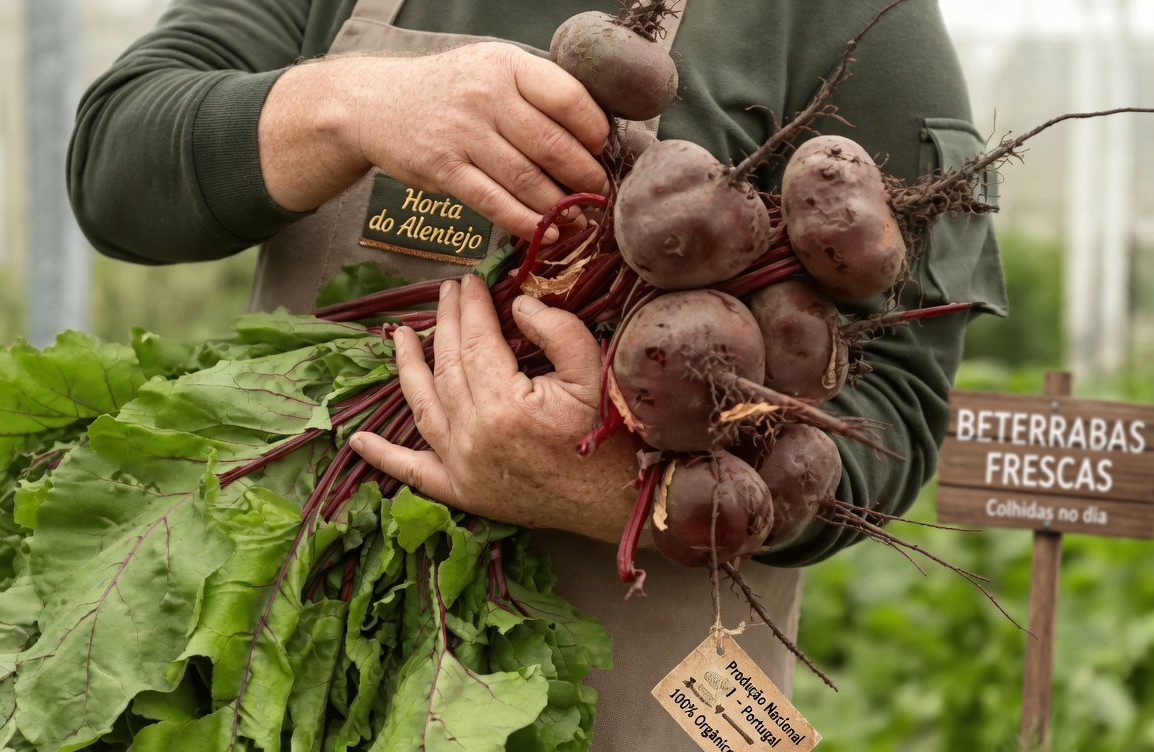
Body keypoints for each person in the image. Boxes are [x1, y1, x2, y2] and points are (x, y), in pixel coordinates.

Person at [68, 0, 1006, 747]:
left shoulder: (863, 16)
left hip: (644, 687)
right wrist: (349, 104)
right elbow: (116, 167)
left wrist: (615, 490)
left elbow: (896, 418)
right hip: (292, 634)